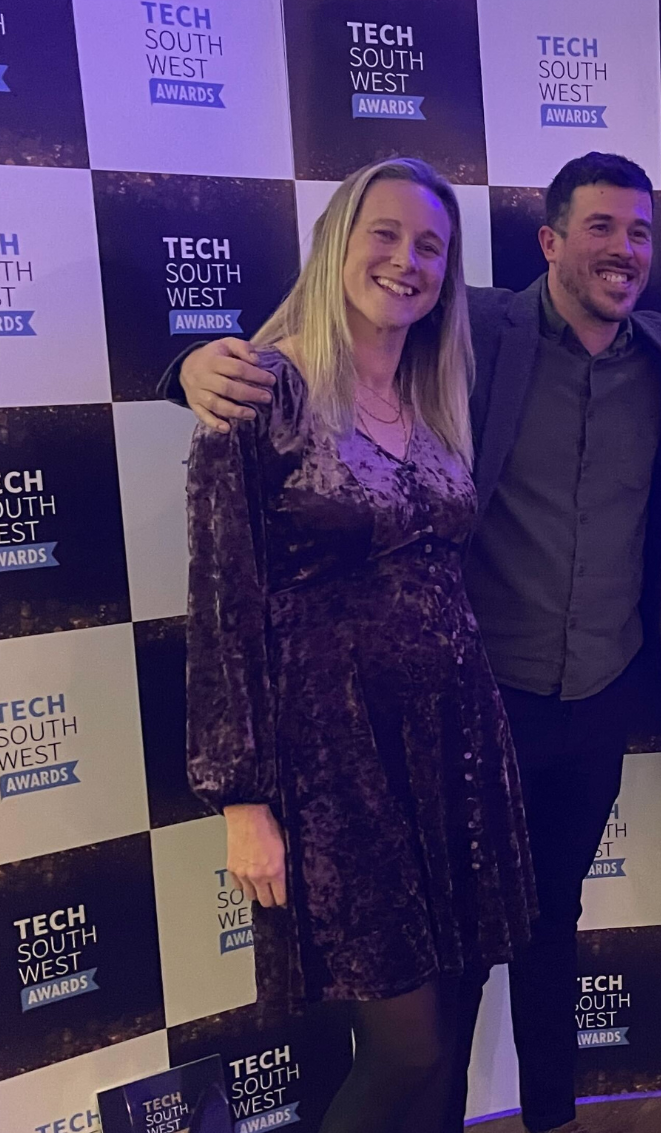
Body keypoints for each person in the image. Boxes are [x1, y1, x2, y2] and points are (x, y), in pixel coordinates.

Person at [173, 153, 661, 1133]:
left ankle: (551, 1116)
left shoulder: (652, 353)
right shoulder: (476, 334)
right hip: (401, 734)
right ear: (549, 241)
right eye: (599, 227)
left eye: (639, 232)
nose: (623, 249)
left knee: (545, 924)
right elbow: (223, 597)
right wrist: (187, 367)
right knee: (423, 1016)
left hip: (543, 710)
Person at [185, 157, 535, 1133]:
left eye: (430, 246)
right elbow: (221, 605)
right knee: (404, 1047)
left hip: (455, 750)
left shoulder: (435, 390)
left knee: (447, 1034)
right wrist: (241, 799)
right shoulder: (262, 391)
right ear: (337, 241)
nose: (405, 260)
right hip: (337, 770)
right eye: (384, 234)